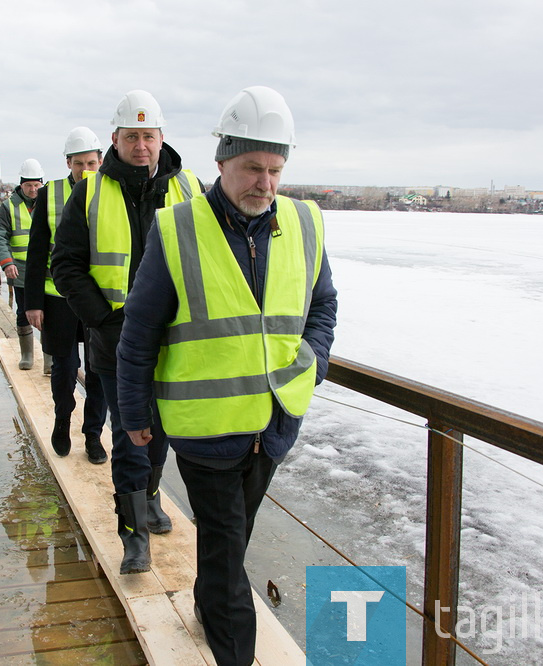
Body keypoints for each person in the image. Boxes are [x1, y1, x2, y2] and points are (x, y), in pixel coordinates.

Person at [117, 86, 338, 665]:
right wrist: (135, 416)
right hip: (206, 428)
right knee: (224, 547)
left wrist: (311, 364)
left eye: (274, 170)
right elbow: (139, 333)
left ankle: (207, 601)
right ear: (221, 164)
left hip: (273, 425)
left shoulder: (305, 222)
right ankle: (233, 648)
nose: (263, 183)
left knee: (229, 544)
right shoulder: (180, 229)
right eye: (250, 169)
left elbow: (323, 307)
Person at [51, 90, 203, 575]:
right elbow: (66, 264)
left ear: (162, 139)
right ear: (114, 140)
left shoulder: (191, 190)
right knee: (130, 438)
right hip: (116, 344)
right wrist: (103, 318)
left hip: (175, 342)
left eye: (149, 136)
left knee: (160, 434)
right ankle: (133, 535)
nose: (141, 146)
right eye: (131, 137)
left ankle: (153, 498)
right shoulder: (91, 191)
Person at [25, 127, 109, 464]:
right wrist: (32, 303)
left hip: (100, 299)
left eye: (91, 163)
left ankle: (93, 435)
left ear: (101, 161)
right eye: (79, 164)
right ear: (67, 163)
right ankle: (62, 421)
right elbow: (36, 249)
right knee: (64, 366)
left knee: (99, 369)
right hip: (57, 297)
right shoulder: (51, 194)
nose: (86, 170)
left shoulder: (111, 193)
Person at [0, 158, 44, 370]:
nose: (32, 190)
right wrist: (7, 263)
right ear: (21, 185)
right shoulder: (8, 207)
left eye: (36, 185)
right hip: (21, 270)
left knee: (50, 312)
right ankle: (27, 355)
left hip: (47, 270)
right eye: (28, 185)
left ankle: (50, 360)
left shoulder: (49, 203)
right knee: (23, 310)